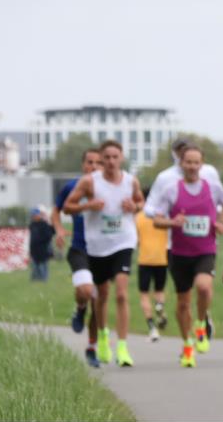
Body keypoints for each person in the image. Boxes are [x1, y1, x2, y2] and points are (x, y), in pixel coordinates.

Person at [64, 140, 144, 367]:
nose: (110, 161)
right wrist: (87, 207)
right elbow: (68, 207)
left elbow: (141, 201)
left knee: (121, 293)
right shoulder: (89, 182)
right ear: (101, 160)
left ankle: (123, 348)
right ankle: (101, 338)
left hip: (123, 242)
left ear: (121, 158)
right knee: (100, 296)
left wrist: (134, 207)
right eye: (105, 158)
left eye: (114, 157)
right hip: (97, 246)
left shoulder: (131, 181)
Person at [151, 146, 223, 366]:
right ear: (181, 164)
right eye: (188, 162)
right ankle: (187, 346)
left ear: (202, 164)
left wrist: (222, 222)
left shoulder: (212, 187)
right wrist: (172, 222)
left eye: (197, 162)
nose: (193, 166)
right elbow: (157, 220)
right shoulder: (171, 190)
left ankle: (200, 324)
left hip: (205, 250)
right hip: (179, 253)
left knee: (204, 287)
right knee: (183, 302)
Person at [55, 148, 102, 367]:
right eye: (90, 162)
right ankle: (79, 308)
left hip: (103, 252)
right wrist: (58, 230)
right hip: (80, 249)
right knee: (85, 291)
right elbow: (58, 211)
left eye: (98, 163)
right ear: (83, 165)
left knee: (97, 301)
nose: (94, 167)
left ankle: (91, 347)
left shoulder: (112, 188)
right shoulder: (72, 187)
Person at [135, 188, 170, 341]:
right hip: (162, 259)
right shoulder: (163, 216)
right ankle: (160, 307)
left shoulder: (138, 217)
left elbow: (135, 240)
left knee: (144, 294)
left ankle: (152, 327)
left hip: (145, 259)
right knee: (159, 291)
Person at [28, 205, 55, 282]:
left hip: (43, 251)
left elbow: (49, 235)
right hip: (34, 252)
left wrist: (39, 241)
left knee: (42, 267)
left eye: (34, 215)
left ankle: (43, 281)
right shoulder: (32, 225)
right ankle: (35, 282)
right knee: (34, 268)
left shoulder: (44, 225)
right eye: (32, 215)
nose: (33, 217)